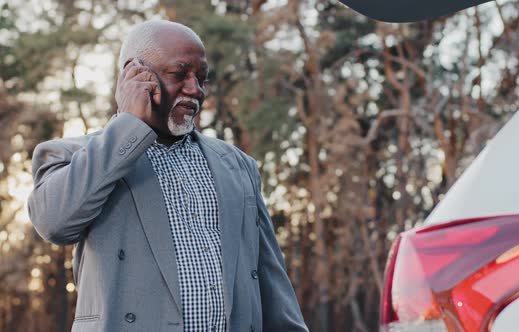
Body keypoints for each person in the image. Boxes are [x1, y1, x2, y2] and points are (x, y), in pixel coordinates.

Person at [27, 20, 308, 332]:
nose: (195, 89)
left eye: (201, 78)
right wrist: (129, 125)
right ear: (135, 74)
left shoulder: (238, 165)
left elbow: (270, 278)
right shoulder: (73, 154)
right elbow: (54, 223)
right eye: (180, 74)